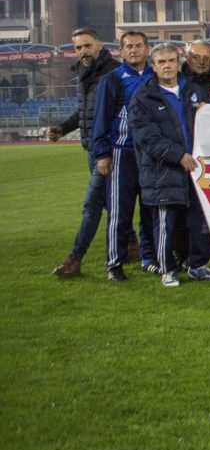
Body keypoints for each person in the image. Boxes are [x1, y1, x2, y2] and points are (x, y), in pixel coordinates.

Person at [127, 44, 210, 287]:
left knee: (199, 220)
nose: (167, 66)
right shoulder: (143, 98)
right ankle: (168, 269)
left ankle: (198, 265)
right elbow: (147, 138)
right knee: (166, 222)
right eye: (161, 62)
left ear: (179, 64)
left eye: (171, 61)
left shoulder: (194, 91)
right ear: (154, 67)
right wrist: (179, 155)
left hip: (197, 168)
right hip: (164, 170)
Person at [48, 28, 120, 278]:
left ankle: (75, 258)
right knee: (111, 204)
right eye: (78, 48)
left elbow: (111, 113)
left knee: (92, 203)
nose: (83, 51)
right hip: (93, 148)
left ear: (99, 45)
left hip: (108, 151)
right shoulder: (84, 73)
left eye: (87, 46)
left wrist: (105, 151)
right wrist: (63, 128)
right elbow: (85, 112)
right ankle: (131, 245)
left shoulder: (112, 72)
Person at [90, 30, 157, 281]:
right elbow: (101, 118)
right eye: (128, 46)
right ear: (121, 51)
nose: (133, 50)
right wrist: (102, 153)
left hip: (151, 155)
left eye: (138, 45)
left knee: (151, 208)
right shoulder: (113, 79)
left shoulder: (156, 75)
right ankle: (114, 264)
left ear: (147, 49)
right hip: (122, 153)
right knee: (120, 211)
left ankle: (149, 259)